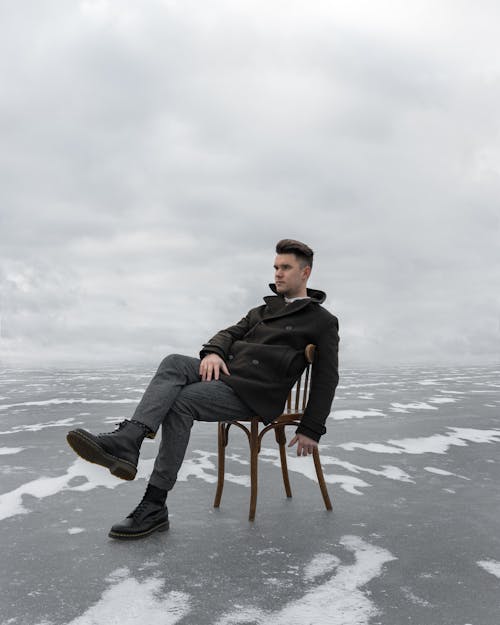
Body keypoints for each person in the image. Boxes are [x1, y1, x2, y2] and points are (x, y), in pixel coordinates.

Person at [66, 239, 339, 539]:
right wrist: (213, 353)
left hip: (256, 394)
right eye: (275, 267)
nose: (277, 274)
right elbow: (227, 334)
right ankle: (130, 439)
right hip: (228, 374)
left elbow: (327, 377)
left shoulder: (322, 322)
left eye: (285, 268)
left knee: (180, 402)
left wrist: (311, 428)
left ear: (306, 273)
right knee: (173, 362)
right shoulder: (261, 311)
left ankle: (154, 503)